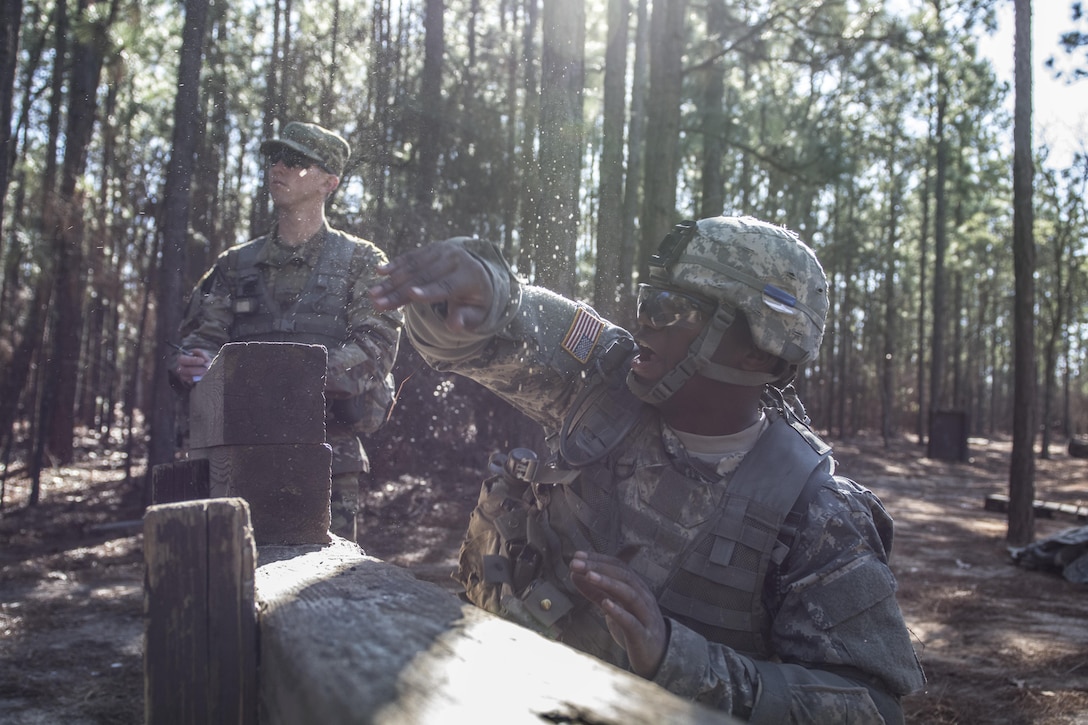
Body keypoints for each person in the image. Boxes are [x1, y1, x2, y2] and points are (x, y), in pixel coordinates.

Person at [369, 216, 925, 723]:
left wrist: (677, 659)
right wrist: (479, 293)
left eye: (671, 309)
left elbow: (872, 708)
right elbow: (506, 327)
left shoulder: (816, 513)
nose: (644, 322)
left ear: (757, 354)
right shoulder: (605, 386)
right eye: (647, 300)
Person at [173, 121, 403, 541]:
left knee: (326, 594)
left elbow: (375, 352)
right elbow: (201, 340)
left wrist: (275, 375)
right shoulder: (234, 265)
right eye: (274, 158)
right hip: (235, 460)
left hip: (327, 458)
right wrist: (191, 363)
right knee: (231, 583)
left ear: (329, 182)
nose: (278, 167)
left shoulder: (361, 262)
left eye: (295, 161)